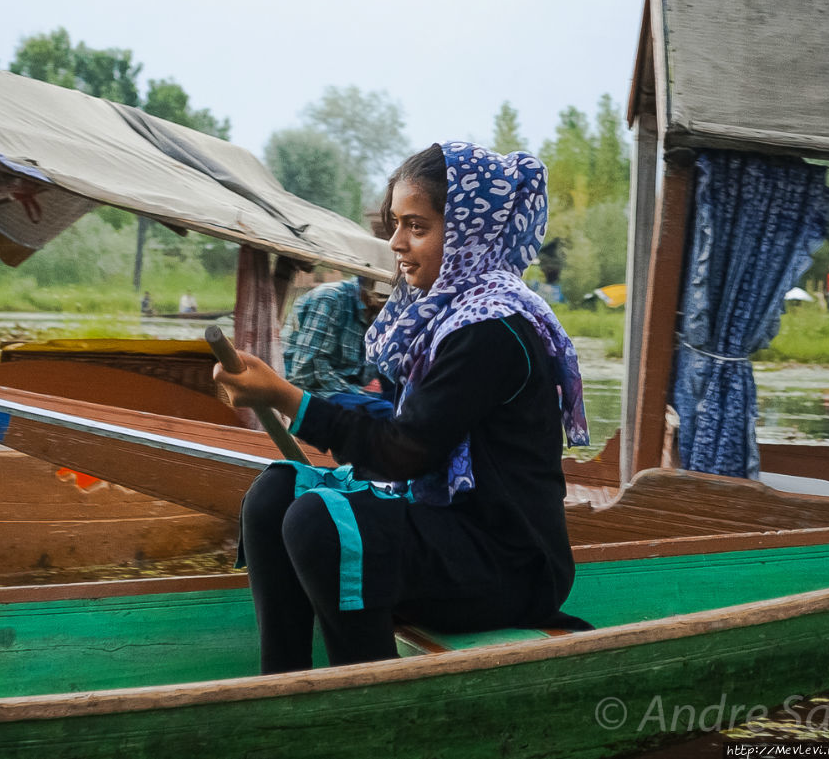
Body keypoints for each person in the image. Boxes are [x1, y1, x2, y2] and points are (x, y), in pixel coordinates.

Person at [214, 142, 590, 673]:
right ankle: (283, 685)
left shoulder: (493, 329)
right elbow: (400, 435)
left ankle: (370, 695)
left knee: (320, 522)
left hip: (508, 563)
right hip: (449, 537)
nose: (395, 243)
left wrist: (283, 395)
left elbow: (402, 452)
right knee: (276, 493)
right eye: (395, 224)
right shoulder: (445, 316)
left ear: (467, 231)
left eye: (417, 226)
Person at [282, 276, 392, 416]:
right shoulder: (330, 297)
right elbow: (306, 370)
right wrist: (358, 393)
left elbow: (369, 373)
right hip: (312, 391)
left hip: (346, 390)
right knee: (385, 413)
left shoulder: (379, 315)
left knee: (408, 412)